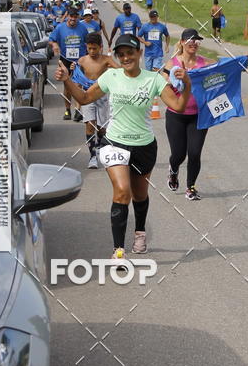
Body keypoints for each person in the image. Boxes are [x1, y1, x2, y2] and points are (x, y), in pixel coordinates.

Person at [56, 33, 192, 262]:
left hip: (144, 146)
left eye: (130, 53)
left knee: (140, 195)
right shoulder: (112, 76)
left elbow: (178, 105)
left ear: (139, 53)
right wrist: (67, 80)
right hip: (115, 143)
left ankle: (140, 233)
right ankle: (118, 250)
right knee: (122, 191)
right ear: (117, 57)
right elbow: (85, 98)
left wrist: (187, 84)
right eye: (121, 55)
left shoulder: (154, 79)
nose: (126, 58)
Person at [163, 29, 214, 200]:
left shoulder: (204, 63)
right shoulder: (172, 63)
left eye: (197, 41)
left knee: (194, 153)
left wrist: (240, 64)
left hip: (198, 116)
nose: (194, 43)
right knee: (178, 154)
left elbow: (223, 69)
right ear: (182, 42)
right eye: (190, 40)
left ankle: (191, 188)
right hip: (176, 116)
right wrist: (173, 81)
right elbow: (161, 83)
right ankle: (173, 170)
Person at [70, 32, 118, 168]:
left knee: (101, 128)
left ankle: (101, 150)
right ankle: (92, 156)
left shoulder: (106, 60)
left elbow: (120, 70)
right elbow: (76, 80)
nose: (92, 51)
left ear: (100, 47)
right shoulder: (82, 61)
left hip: (102, 95)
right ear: (86, 47)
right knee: (90, 125)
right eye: (89, 48)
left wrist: (115, 72)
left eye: (95, 48)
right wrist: (72, 70)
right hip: (87, 96)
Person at [48, 7, 91, 120]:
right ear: (67, 16)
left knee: (78, 85)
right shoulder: (60, 28)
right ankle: (67, 110)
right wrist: (55, 45)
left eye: (75, 17)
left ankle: (78, 110)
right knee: (67, 86)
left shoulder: (82, 28)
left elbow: (88, 42)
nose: (73, 19)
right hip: (65, 59)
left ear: (78, 17)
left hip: (79, 60)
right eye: (71, 16)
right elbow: (51, 39)